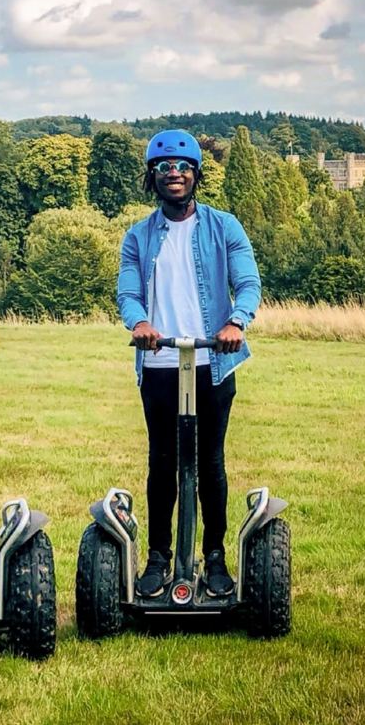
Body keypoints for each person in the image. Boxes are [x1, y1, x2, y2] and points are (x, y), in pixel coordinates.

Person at [117, 129, 261, 598]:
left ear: (196, 174)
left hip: (212, 363)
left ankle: (214, 556)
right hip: (159, 366)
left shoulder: (225, 226)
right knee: (161, 462)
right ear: (152, 178)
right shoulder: (138, 236)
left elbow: (248, 283)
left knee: (209, 462)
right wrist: (138, 323)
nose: (173, 174)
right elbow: (128, 292)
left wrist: (236, 322)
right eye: (163, 168)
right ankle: (159, 557)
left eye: (181, 167)